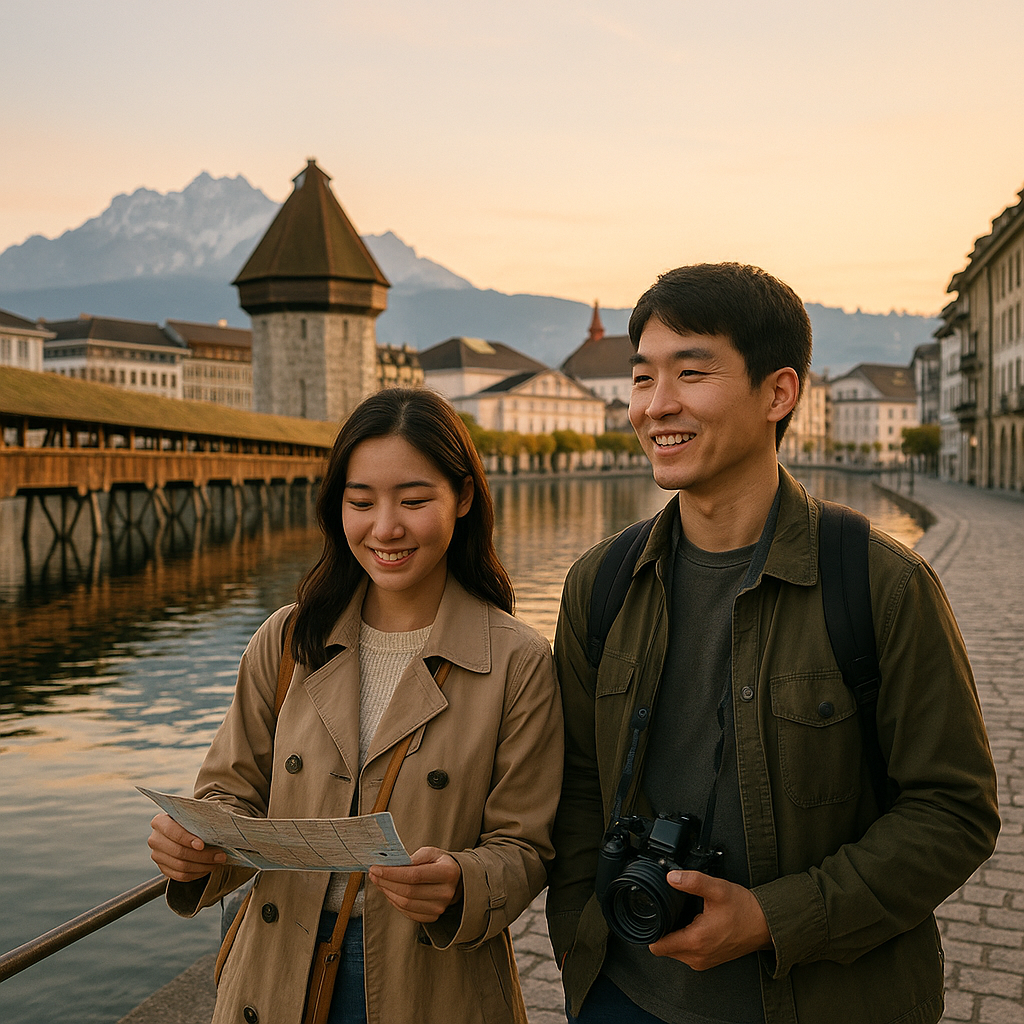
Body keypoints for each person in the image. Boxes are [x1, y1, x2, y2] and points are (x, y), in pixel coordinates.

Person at [546, 263, 999, 1024]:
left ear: (779, 393)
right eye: (641, 379)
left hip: (824, 1000)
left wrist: (774, 919)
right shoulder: (601, 583)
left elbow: (953, 812)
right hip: (626, 995)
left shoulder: (881, 584)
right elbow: (582, 789)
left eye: (691, 373)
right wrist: (580, 940)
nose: (657, 406)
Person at [148, 387, 563, 1024]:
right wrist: (195, 848)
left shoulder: (518, 662)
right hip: (274, 968)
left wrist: (460, 881)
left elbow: (527, 847)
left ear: (464, 498)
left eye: (415, 500)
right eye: (361, 502)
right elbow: (229, 795)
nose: (385, 528)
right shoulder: (288, 640)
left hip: (429, 979)